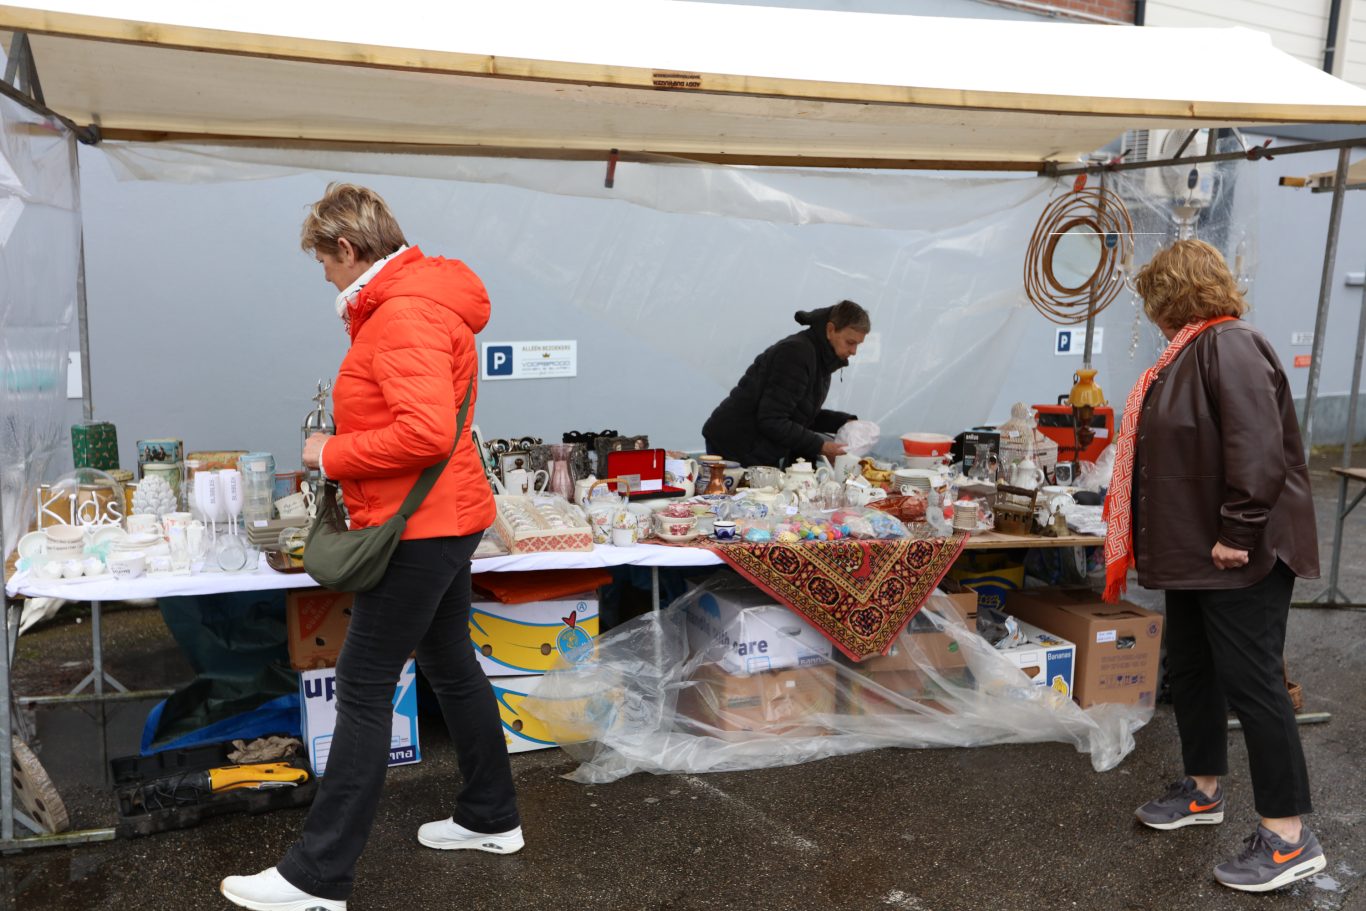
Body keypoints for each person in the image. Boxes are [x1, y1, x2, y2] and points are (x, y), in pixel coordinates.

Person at [221, 184, 521, 911]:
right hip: (446, 516)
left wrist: (330, 453)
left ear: (348, 250)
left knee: (359, 689)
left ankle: (315, 877)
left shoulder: (401, 314)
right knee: (451, 661)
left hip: (419, 528)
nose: (322, 274)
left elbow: (422, 433)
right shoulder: (422, 300)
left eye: (322, 261)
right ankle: (491, 814)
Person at [1106, 239, 1324, 893]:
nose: (1150, 314)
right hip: (1197, 555)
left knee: (1254, 683)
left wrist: (1239, 529)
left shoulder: (1228, 344)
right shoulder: (1188, 353)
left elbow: (1255, 446)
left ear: (1173, 293)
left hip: (1237, 551)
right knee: (1194, 672)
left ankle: (1289, 837)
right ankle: (1202, 788)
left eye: (1152, 299)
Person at [702, 300, 869, 467]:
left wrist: (844, 422)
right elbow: (772, 419)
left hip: (758, 447)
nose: (854, 352)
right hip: (736, 445)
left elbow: (800, 414)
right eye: (850, 342)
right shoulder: (797, 354)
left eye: (858, 345)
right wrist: (821, 446)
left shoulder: (822, 359)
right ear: (830, 330)